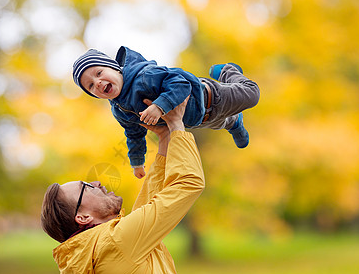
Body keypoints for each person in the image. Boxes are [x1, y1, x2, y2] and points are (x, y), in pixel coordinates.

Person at [41, 97, 205, 274]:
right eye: (86, 187)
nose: (97, 182)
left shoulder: (99, 249)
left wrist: (165, 137)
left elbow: (149, 203)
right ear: (83, 217)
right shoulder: (116, 242)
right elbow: (188, 183)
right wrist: (177, 124)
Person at [72, 46, 260, 179]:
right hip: (200, 120)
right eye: (90, 86)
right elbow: (134, 134)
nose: (97, 82)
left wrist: (159, 106)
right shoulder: (120, 110)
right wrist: (137, 161)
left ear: (114, 68)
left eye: (98, 73)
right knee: (224, 122)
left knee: (252, 95)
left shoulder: (145, 76)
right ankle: (235, 123)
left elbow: (180, 83)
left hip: (212, 96)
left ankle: (227, 71)